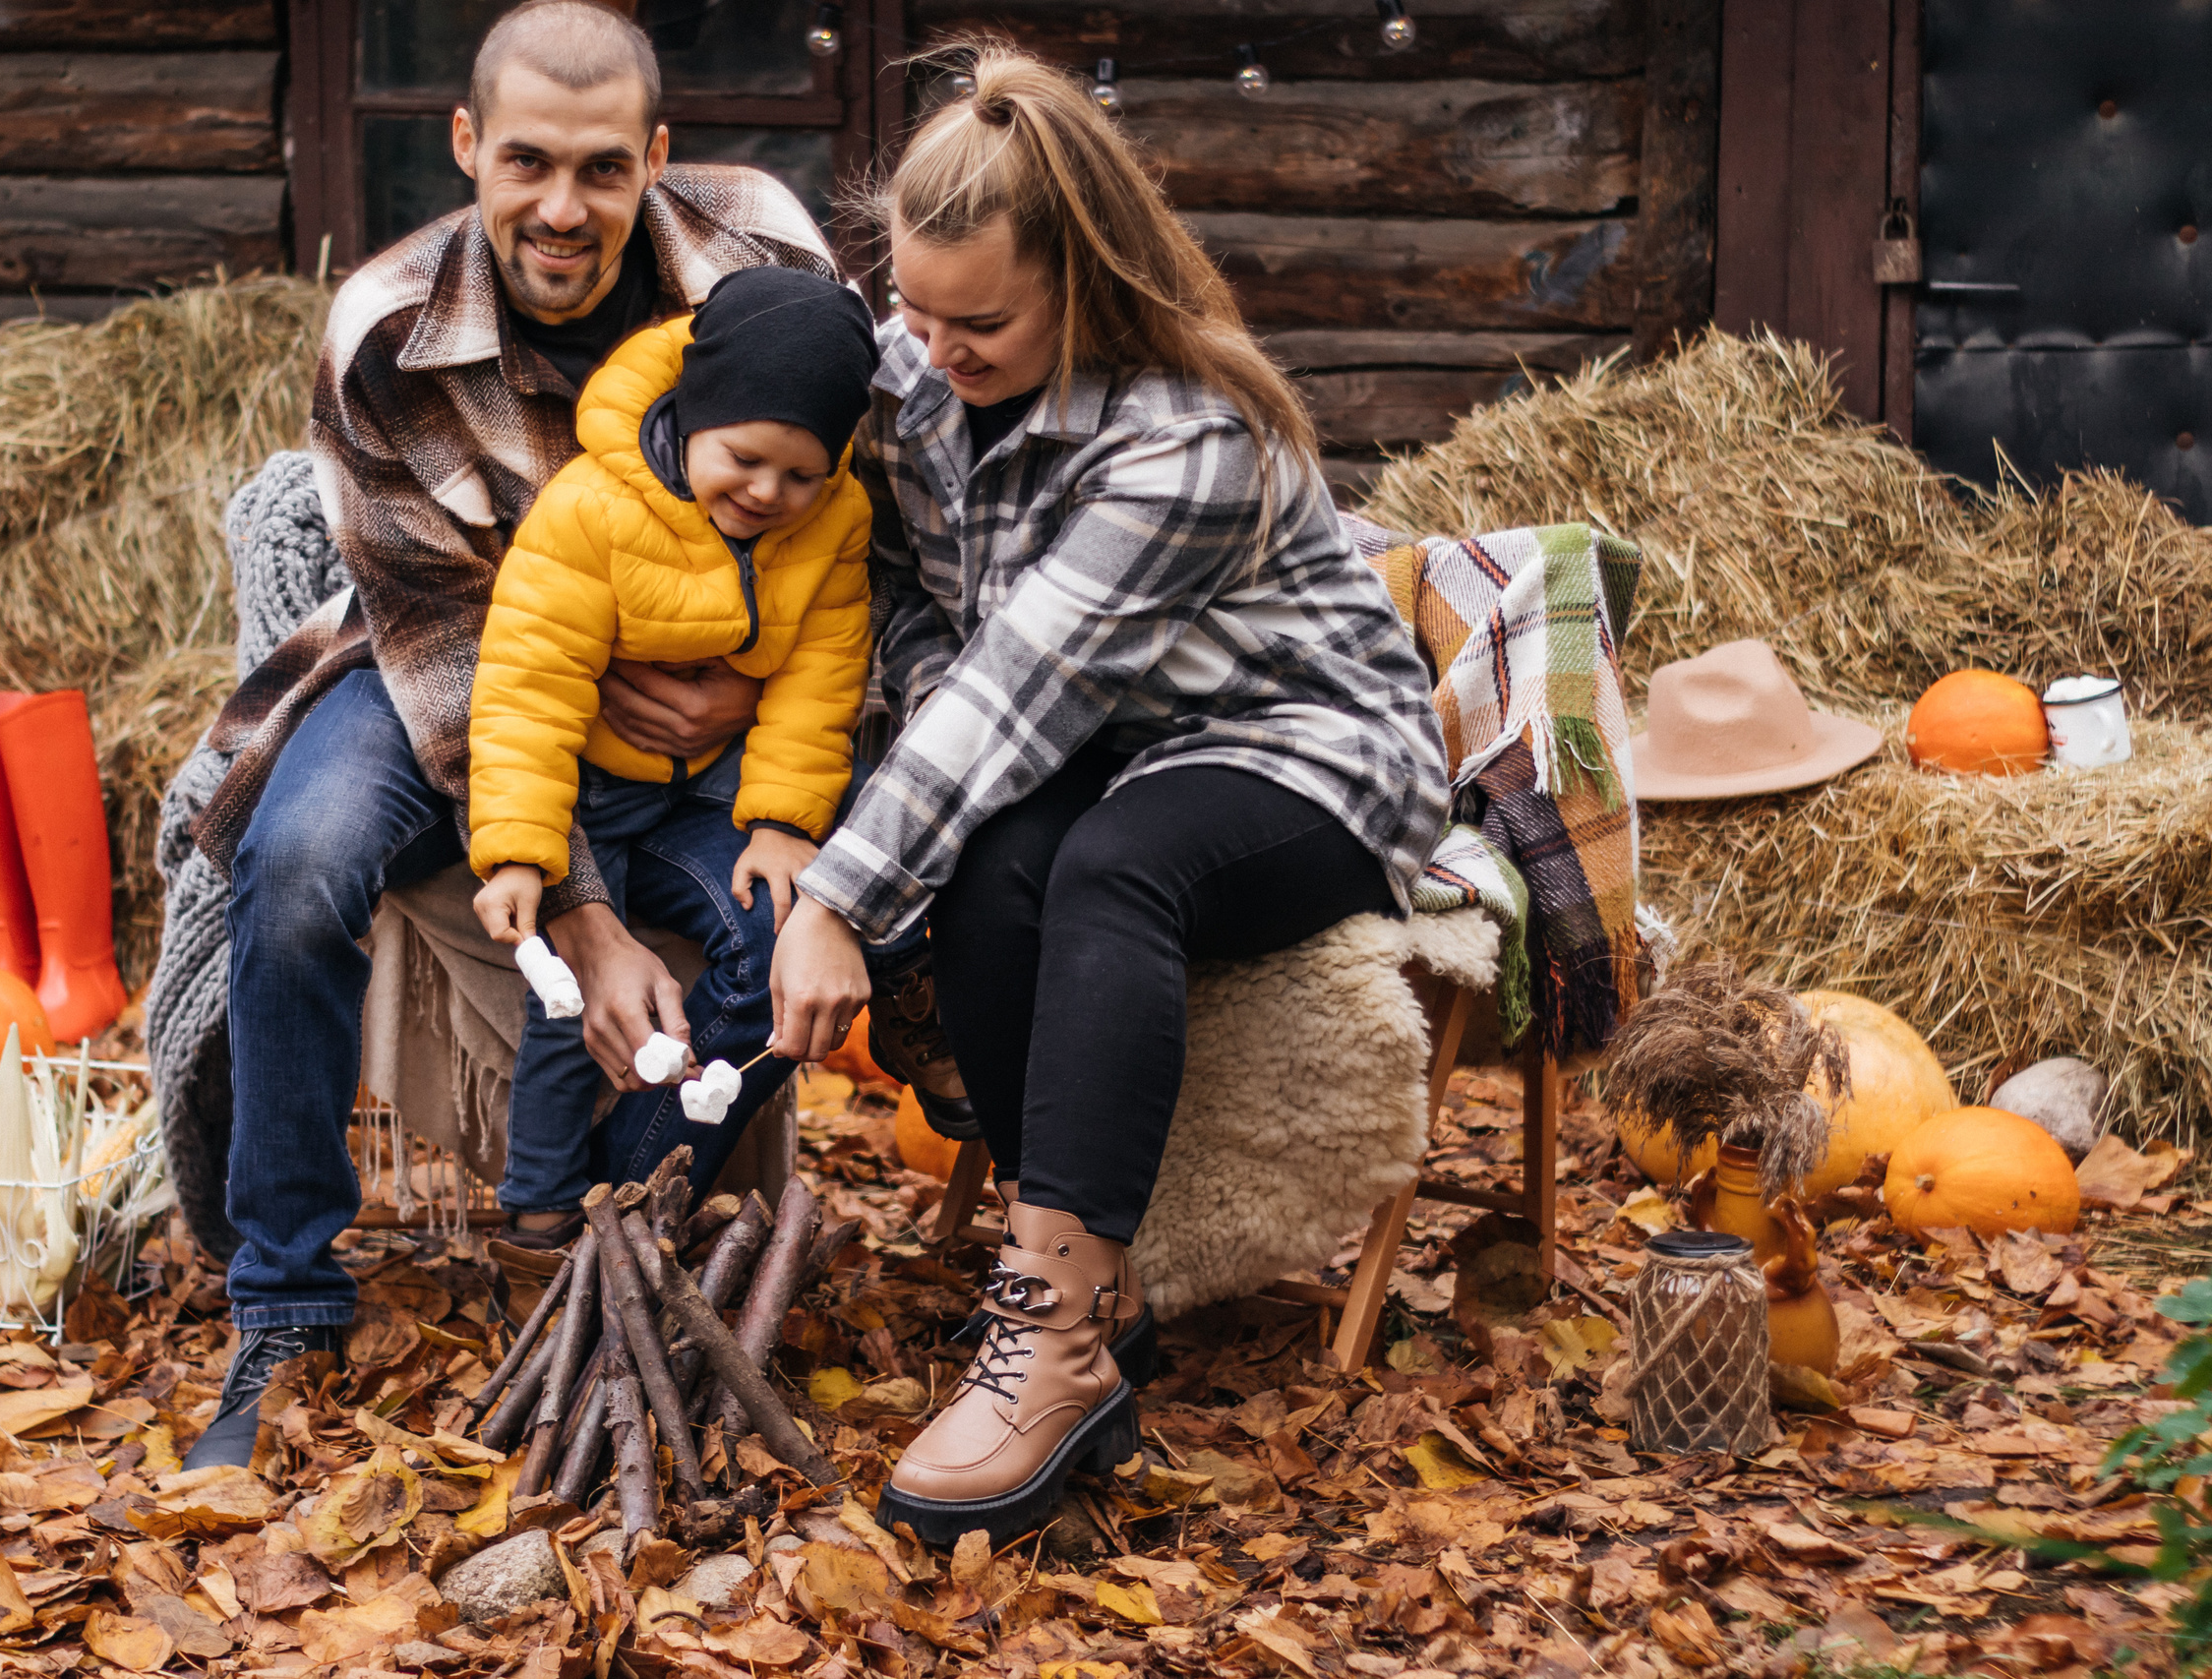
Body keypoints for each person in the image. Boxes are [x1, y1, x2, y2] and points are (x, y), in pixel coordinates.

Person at [765, 46, 1453, 1543]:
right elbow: (916, 603)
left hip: (1300, 746)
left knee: (1115, 865)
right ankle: (1077, 1281)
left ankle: (1053, 1347)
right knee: (1003, 856)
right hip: (1097, 740)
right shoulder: (915, 367)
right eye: (918, 310)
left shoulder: (1186, 439)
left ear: (1084, 278)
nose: (933, 352)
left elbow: (1025, 685)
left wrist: (832, 896)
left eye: (982, 324)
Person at [180, 1, 841, 1471]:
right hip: (458, 662)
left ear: (658, 158)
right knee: (296, 859)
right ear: (465, 144)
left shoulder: (772, 265)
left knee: (806, 911)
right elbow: (442, 640)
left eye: (605, 169)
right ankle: (282, 1295)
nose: (563, 207)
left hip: (713, 679)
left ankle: (621, 1230)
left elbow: (859, 520)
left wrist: (747, 686)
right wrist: (589, 910)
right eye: (526, 161)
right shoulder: (387, 335)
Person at [466, 264, 891, 1244]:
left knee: (792, 919)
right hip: (602, 791)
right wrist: (522, 848)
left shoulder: (835, 522)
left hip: (718, 786)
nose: (768, 492)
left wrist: (785, 823)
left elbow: (819, 681)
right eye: (745, 459)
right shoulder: (592, 511)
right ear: (692, 415)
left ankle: (634, 1205)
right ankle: (535, 1207)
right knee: (565, 1010)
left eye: (801, 473)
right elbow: (528, 687)